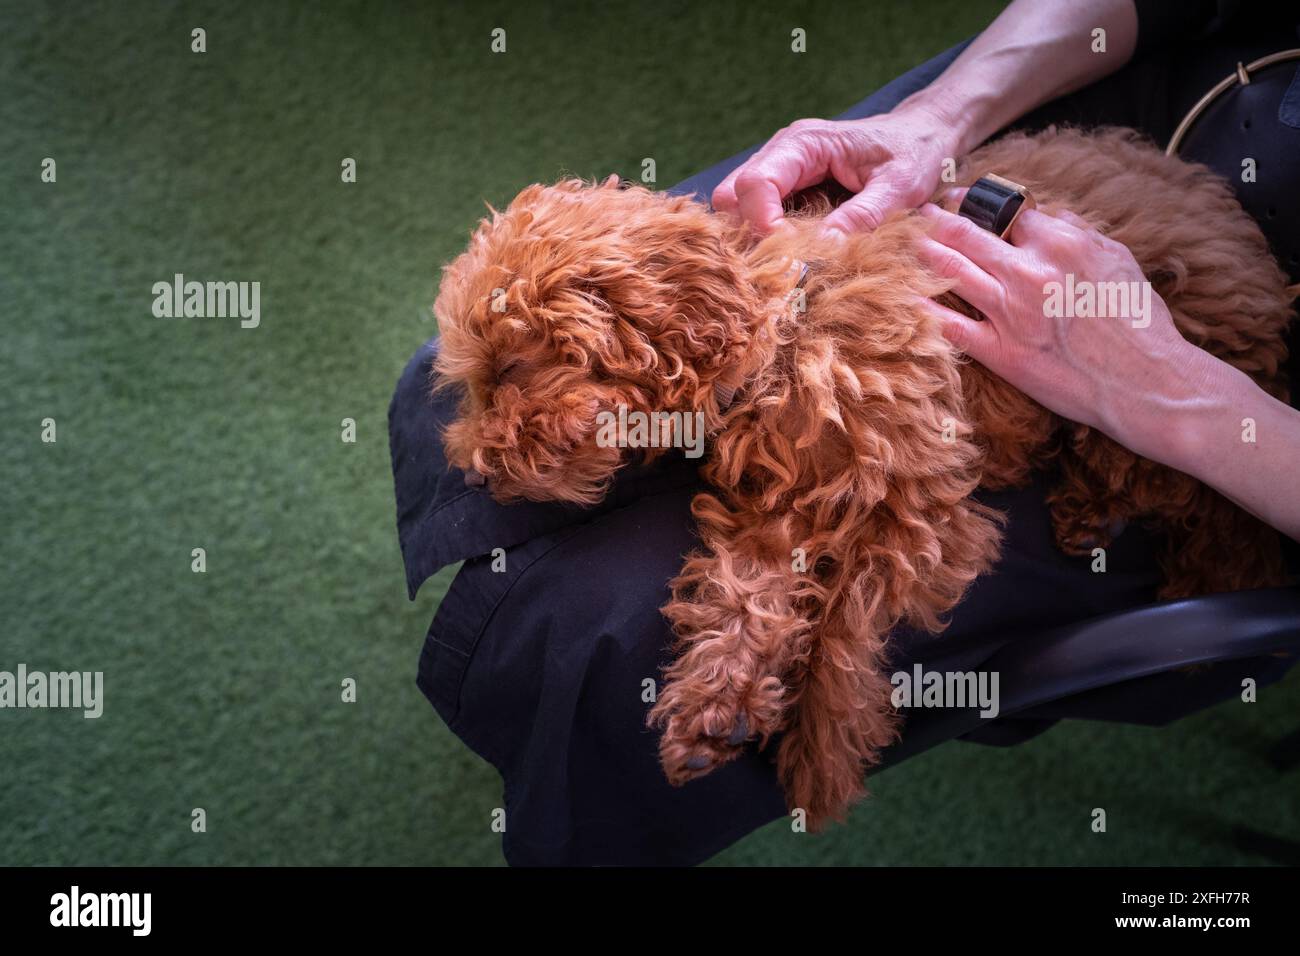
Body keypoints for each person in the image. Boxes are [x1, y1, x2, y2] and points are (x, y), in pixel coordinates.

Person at [390, 0, 1300, 865]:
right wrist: (938, 115)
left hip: (1223, 373)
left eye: (508, 389)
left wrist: (1180, 393)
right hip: (1161, 86)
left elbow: (896, 507)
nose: (489, 437)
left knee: (597, 632)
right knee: (438, 399)